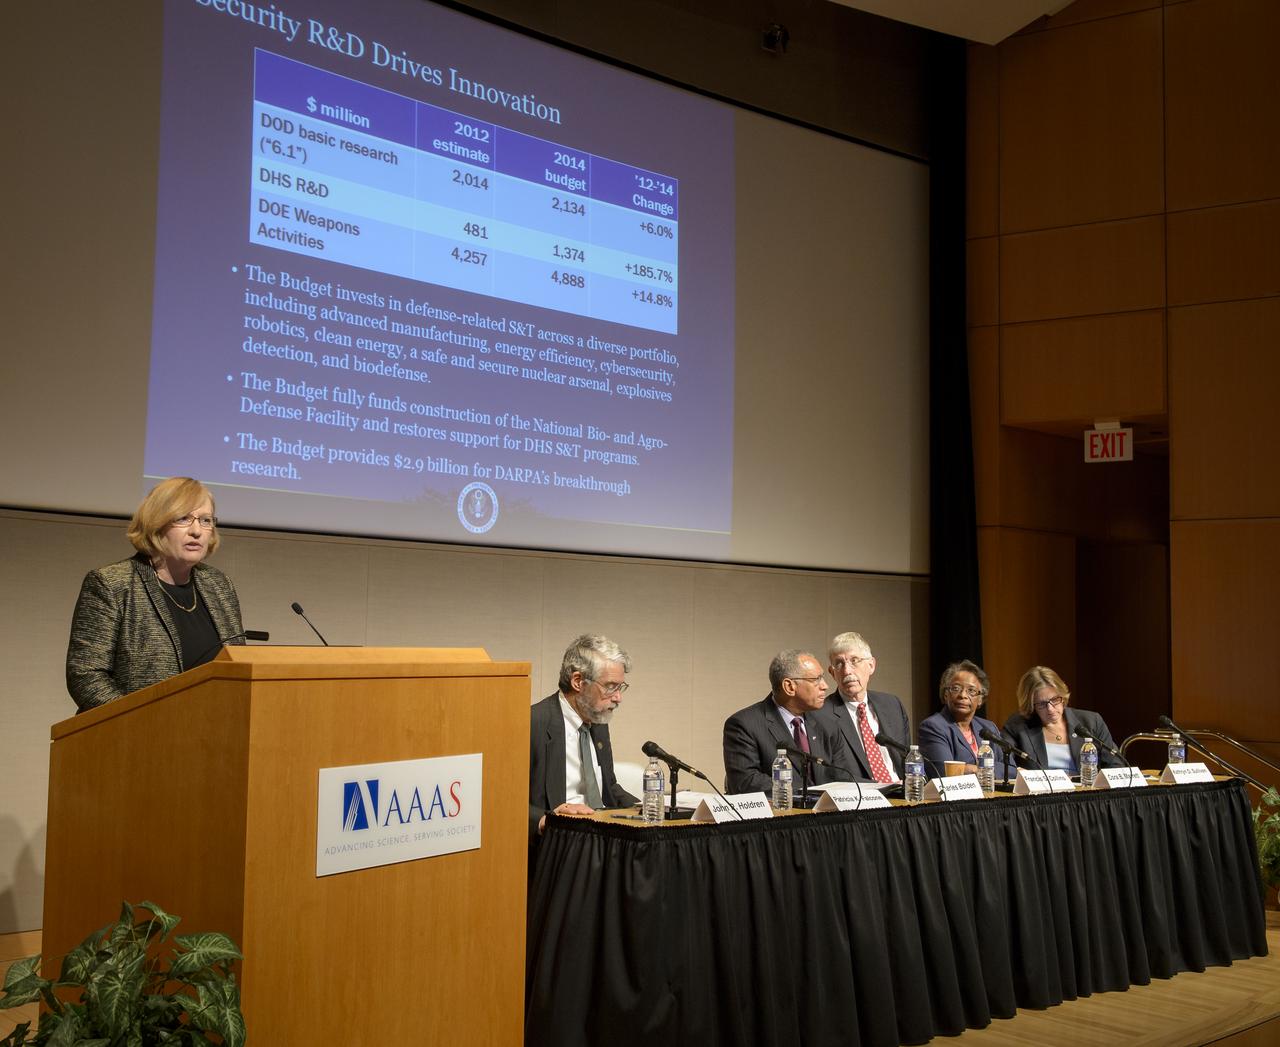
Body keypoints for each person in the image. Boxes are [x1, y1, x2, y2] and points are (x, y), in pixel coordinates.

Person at [65, 477, 244, 712]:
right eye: (183, 519)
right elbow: (86, 676)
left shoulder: (219, 585)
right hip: (136, 736)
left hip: (212, 732)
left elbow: (237, 667)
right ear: (156, 524)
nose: (197, 531)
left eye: (205, 520)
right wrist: (146, 720)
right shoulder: (112, 584)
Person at [528, 634, 639, 843]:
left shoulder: (597, 722)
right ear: (578, 681)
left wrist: (649, 807)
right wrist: (544, 820)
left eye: (620, 687)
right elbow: (501, 798)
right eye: (610, 686)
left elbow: (609, 787)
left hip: (600, 839)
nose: (618, 697)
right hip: (557, 842)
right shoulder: (533, 723)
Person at [722, 649, 858, 794]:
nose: (825, 686)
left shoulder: (827, 725)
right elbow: (746, 782)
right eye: (816, 679)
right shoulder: (744, 725)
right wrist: (806, 794)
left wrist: (882, 788)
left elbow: (843, 776)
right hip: (780, 813)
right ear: (789, 686)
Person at [818, 631, 910, 784]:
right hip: (860, 800)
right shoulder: (821, 715)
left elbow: (909, 759)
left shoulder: (892, 705)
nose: (847, 671)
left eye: (854, 660)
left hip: (903, 796)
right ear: (832, 673)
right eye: (839, 663)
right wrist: (881, 787)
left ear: (871, 665)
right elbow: (830, 774)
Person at [1004, 665, 1124, 774]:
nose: (1050, 709)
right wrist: (1018, 771)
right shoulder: (1017, 726)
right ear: (1030, 705)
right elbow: (1001, 763)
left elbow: (1116, 764)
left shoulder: (1091, 721)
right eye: (1042, 704)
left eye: (1055, 700)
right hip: (1043, 795)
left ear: (1063, 695)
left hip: (1086, 793)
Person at [918, 660, 1006, 780]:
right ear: (945, 694)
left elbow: (1010, 769)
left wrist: (970, 769)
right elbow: (944, 771)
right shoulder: (933, 727)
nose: (963, 695)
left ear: (980, 699)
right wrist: (984, 770)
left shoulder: (988, 728)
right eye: (956, 688)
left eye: (971, 690)